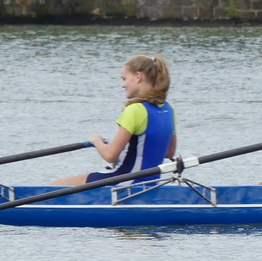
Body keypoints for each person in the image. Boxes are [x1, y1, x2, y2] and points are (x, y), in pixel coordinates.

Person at [51, 55, 176, 186]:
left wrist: (96, 141)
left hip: (124, 182)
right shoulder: (169, 109)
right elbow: (169, 152)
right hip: (152, 184)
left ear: (138, 76)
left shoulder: (135, 110)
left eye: (124, 79)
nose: (123, 85)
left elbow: (110, 156)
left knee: (56, 185)